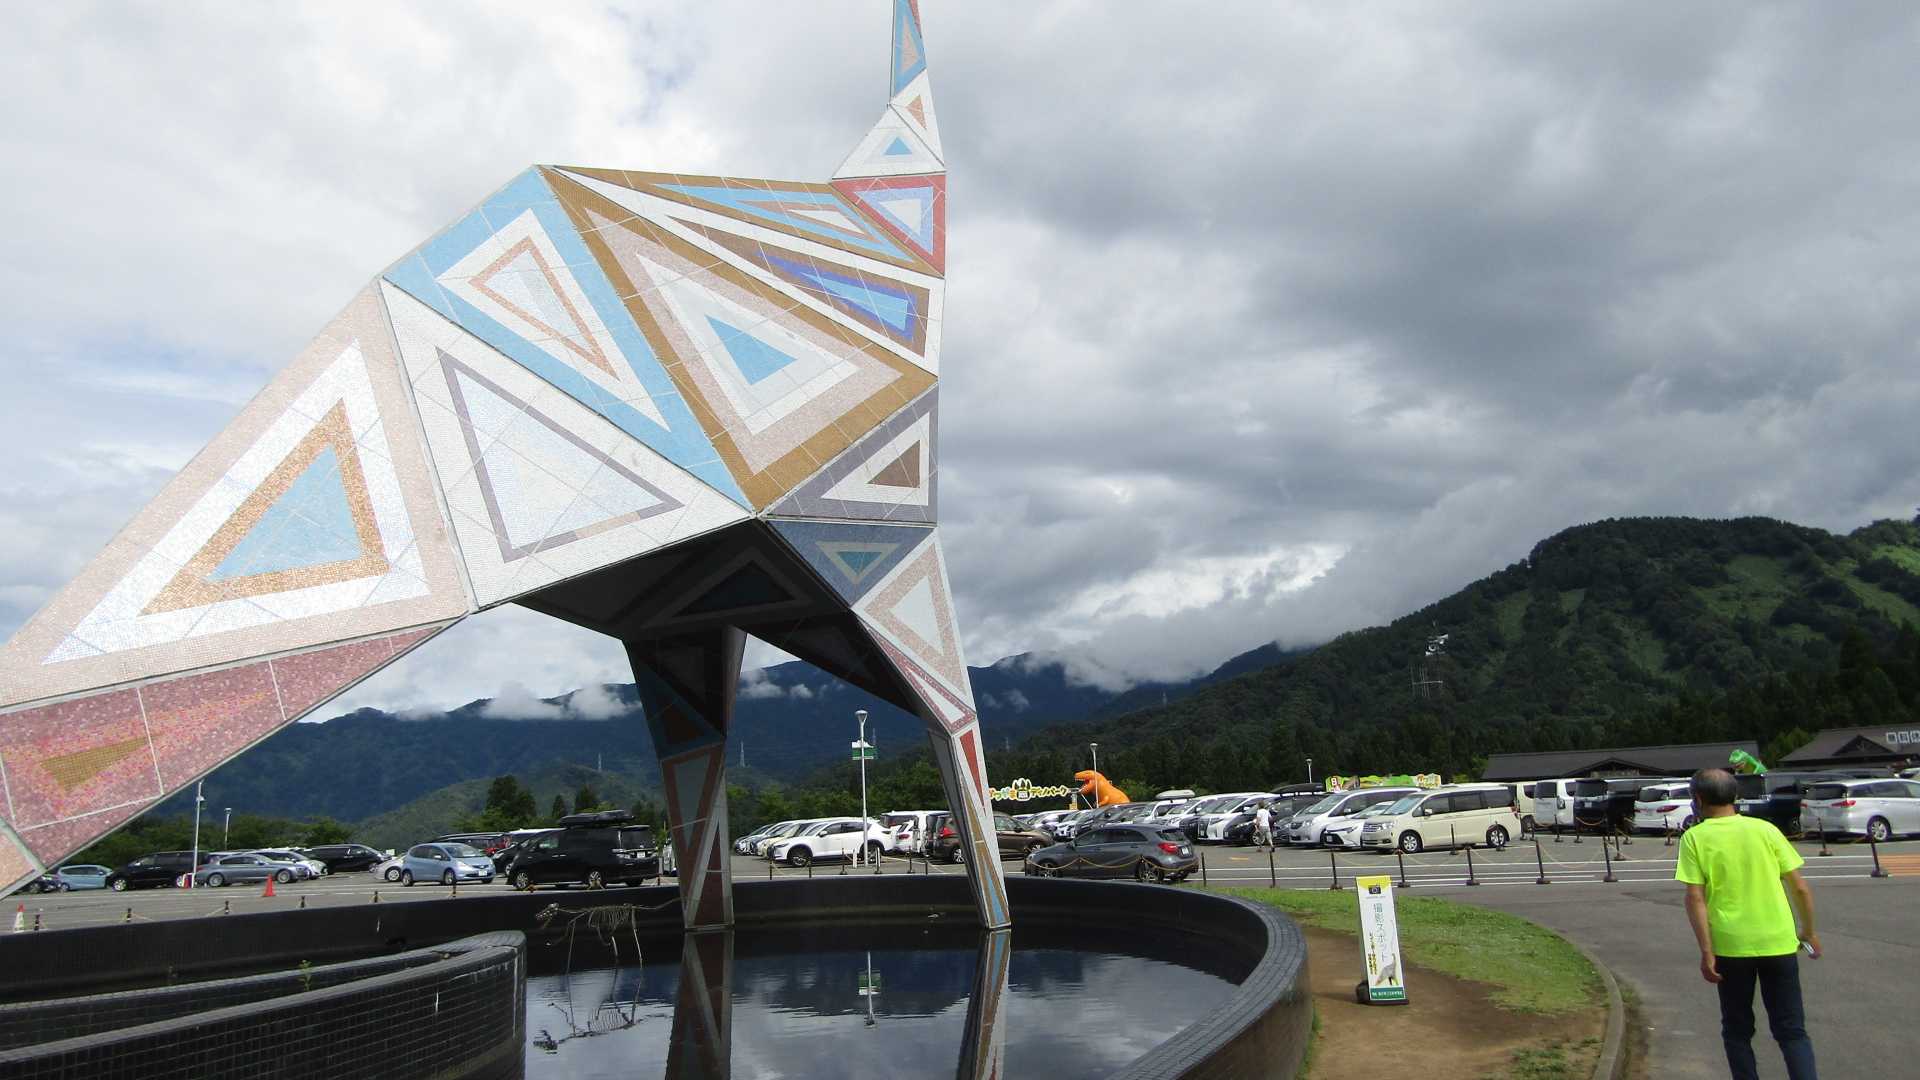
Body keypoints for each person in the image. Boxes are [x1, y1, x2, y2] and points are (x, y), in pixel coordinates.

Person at [1675, 768, 1820, 1080]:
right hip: (1778, 941)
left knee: (1737, 1029)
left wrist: (1706, 951)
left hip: (1731, 946)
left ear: (1698, 799)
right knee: (1791, 1030)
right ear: (1735, 795)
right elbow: (1800, 887)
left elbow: (1695, 898)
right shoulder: (1765, 830)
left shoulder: (1694, 838)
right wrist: (1808, 931)